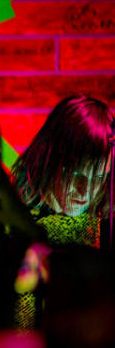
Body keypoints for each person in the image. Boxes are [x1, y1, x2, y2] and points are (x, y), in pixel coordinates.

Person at [8, 94, 113, 249]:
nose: (85, 191)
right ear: (50, 160)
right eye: (76, 174)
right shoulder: (5, 217)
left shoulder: (107, 219)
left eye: (98, 177)